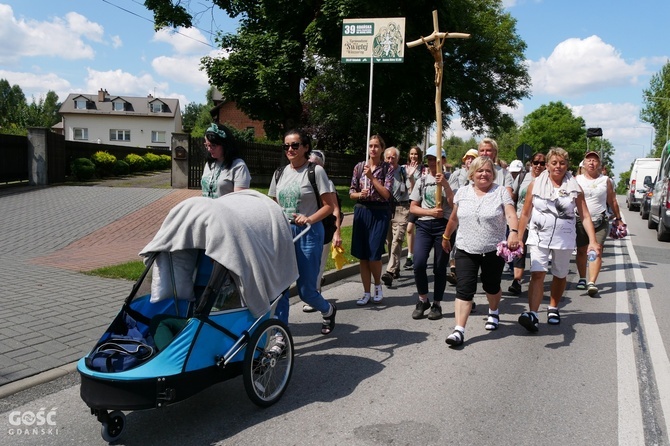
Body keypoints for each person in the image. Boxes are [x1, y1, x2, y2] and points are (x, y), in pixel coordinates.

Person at [517, 147, 600, 332]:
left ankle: (553, 307)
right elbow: (525, 213)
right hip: (539, 236)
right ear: (547, 165)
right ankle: (533, 313)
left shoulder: (575, 187)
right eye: (554, 163)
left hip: (564, 238)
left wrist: (593, 241)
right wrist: (518, 236)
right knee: (538, 273)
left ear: (567, 165)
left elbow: (585, 215)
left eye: (562, 163)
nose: (558, 166)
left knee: (560, 274)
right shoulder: (535, 184)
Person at [441, 156, 520, 346]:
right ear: (472, 174)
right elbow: (454, 218)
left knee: (491, 286)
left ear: (493, 174)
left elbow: (510, 213)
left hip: (493, 249)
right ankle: (459, 330)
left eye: (488, 171)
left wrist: (514, 232)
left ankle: (493, 311)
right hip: (466, 248)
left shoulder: (500, 192)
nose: (484, 174)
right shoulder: (462, 193)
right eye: (479, 171)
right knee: (464, 289)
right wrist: (446, 236)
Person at [268, 129, 337, 334]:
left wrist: (309, 218)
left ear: (305, 147)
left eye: (295, 145)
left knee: (306, 291)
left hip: (308, 232)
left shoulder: (315, 171)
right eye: (286, 146)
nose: (290, 149)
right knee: (280, 288)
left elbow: (329, 206)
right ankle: (281, 335)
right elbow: (272, 204)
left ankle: (328, 310)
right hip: (284, 232)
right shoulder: (279, 173)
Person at [409, 146, 454, 320]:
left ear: (443, 160)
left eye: (435, 159)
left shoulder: (451, 179)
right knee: (418, 263)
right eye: (429, 159)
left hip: (443, 226)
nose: (432, 163)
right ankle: (423, 300)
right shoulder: (422, 181)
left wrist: (445, 185)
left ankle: (437, 304)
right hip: (425, 226)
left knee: (439, 267)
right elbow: (413, 207)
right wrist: (430, 213)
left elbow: (454, 203)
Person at [349, 134, 394, 305]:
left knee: (374, 253)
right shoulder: (359, 167)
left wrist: (372, 179)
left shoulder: (387, 168)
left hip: (379, 212)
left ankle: (378, 286)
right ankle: (366, 292)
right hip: (362, 211)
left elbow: (386, 194)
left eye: (376, 146)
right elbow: (351, 192)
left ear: (382, 149)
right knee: (362, 255)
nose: (373, 149)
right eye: (370, 146)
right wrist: (359, 194)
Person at [575, 151, 625, 296]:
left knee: (596, 249)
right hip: (581, 220)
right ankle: (582, 278)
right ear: (584, 164)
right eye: (589, 160)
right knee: (582, 250)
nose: (591, 163)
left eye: (595, 160)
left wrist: (618, 217)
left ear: (599, 165)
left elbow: (612, 200)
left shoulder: (605, 180)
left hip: (600, 220)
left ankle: (592, 282)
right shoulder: (577, 179)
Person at [302, 149, 343, 312]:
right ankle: (314, 290)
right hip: (303, 228)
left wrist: (337, 232)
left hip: (322, 228)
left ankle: (315, 294)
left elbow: (335, 209)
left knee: (317, 263)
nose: (312, 166)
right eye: (310, 162)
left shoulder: (327, 183)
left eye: (316, 163)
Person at [508, 152, 547, 295]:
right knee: (519, 250)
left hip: (540, 223)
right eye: (536, 162)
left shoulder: (548, 179)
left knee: (538, 252)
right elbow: (514, 196)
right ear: (530, 163)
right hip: (521, 219)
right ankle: (517, 280)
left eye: (542, 163)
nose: (538, 166)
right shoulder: (523, 177)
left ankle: (535, 280)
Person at [446, 148, 479, 284]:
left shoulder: (478, 175)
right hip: (457, 211)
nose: (469, 160)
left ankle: (464, 270)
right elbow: (451, 195)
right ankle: (454, 269)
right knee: (454, 241)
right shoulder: (456, 174)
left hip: (472, 216)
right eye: (467, 158)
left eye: (472, 158)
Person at [381, 147, 410, 288]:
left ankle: (390, 271)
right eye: (388, 158)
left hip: (401, 207)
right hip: (386, 208)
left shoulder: (404, 171)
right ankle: (396, 267)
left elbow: (413, 188)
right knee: (389, 240)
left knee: (397, 239)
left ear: (398, 159)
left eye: (393, 158)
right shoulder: (382, 171)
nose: (390, 160)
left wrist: (411, 177)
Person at [201, 123, 251, 197]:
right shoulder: (209, 165)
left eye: (213, 145)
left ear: (225, 145)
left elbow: (240, 199)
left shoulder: (238, 166)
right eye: (207, 145)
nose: (209, 149)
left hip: (226, 208)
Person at [403, 146, 424, 270]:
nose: (413, 156)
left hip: (422, 203)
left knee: (419, 230)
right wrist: (410, 176)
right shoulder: (405, 168)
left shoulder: (423, 169)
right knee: (410, 229)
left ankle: (420, 254)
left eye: (415, 154)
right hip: (410, 202)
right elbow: (409, 188)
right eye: (411, 154)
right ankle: (410, 256)